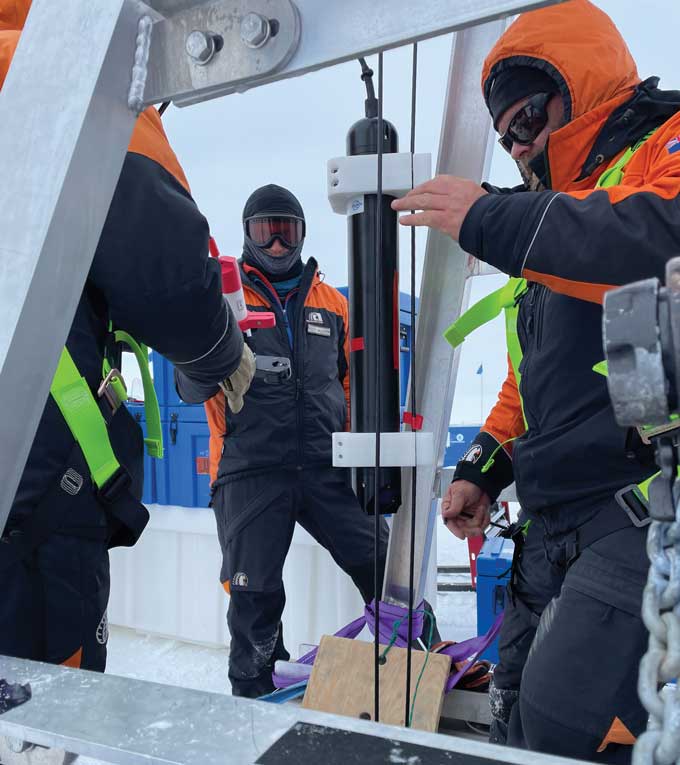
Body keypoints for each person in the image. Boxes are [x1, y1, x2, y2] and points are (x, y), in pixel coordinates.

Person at [393, 0, 680, 761]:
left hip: (644, 507)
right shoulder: (552, 232)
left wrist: (496, 217)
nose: (518, 147)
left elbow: (660, 237)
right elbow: (532, 381)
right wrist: (485, 464)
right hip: (552, 524)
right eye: (505, 136)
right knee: (512, 719)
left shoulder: (664, 147)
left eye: (527, 120)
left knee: (560, 725)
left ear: (578, 90)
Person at [0, 0, 254, 673]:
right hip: (28, 504)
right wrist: (217, 350)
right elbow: (163, 266)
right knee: (40, 710)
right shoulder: (73, 71)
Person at [184, 183, 389, 698]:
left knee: (388, 568)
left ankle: (407, 675)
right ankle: (257, 698)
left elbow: (351, 387)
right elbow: (189, 387)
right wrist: (217, 336)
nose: (277, 245)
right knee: (254, 598)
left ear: (302, 233)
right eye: (264, 232)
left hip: (327, 466)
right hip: (250, 469)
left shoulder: (333, 304)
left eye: (286, 231)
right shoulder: (221, 298)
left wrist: (363, 457)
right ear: (247, 235)